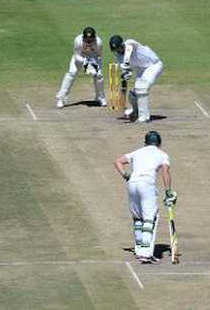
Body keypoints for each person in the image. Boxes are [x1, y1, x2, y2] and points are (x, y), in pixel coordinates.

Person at [114, 131, 177, 264]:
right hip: (147, 184)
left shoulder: (137, 152)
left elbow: (118, 161)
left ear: (145, 142)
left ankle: (139, 249)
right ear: (159, 143)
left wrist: (126, 175)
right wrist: (168, 191)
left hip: (132, 183)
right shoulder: (162, 154)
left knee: (138, 217)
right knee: (150, 218)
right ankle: (145, 253)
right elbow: (165, 172)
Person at [109, 35, 163, 122]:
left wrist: (126, 62)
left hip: (153, 65)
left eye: (119, 48)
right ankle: (136, 111)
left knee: (141, 87)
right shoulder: (119, 58)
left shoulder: (130, 43)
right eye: (116, 50)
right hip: (140, 69)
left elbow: (129, 49)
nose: (118, 51)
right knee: (133, 95)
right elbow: (127, 73)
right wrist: (126, 74)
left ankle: (144, 117)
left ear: (123, 45)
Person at [56, 27, 107, 108]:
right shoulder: (78, 41)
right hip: (80, 57)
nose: (89, 41)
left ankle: (100, 98)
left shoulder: (99, 42)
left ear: (94, 38)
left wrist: (93, 66)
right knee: (71, 74)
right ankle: (61, 98)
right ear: (83, 38)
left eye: (91, 39)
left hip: (93, 58)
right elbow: (76, 55)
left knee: (99, 76)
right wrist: (84, 62)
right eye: (87, 39)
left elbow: (99, 56)